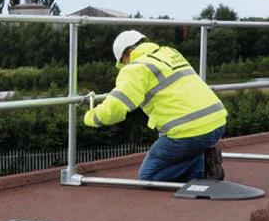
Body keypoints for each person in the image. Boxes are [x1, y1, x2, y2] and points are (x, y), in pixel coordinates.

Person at [84, 30, 227, 182]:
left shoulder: (135, 68)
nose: (123, 66)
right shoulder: (170, 52)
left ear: (129, 53)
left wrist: (90, 116)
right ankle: (207, 159)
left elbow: (116, 108)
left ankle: (203, 169)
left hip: (189, 133)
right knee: (183, 150)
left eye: (123, 62)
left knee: (149, 176)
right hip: (218, 123)